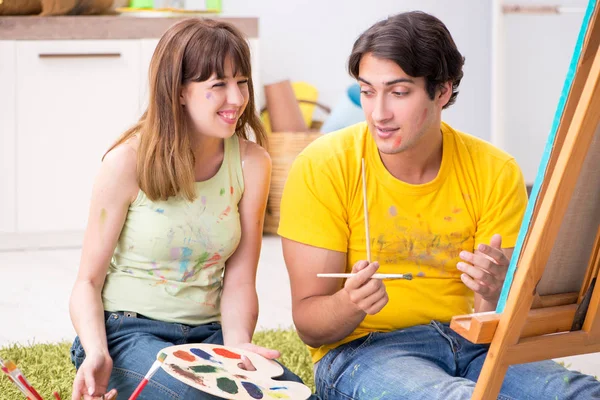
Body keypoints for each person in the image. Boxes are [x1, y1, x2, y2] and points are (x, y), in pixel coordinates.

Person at [278, 11, 600, 400]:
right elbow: (310, 326)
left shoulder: (494, 170)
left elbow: (494, 316)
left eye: (398, 93)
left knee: (581, 393)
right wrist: (350, 304)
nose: (379, 113)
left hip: (474, 339)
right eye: (367, 92)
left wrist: (499, 290)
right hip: (367, 350)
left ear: (443, 91)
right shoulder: (323, 165)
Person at [69, 18, 310, 400]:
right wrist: (96, 351)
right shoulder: (126, 162)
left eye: (241, 82)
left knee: (292, 395)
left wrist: (238, 347)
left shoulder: (252, 163)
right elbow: (87, 283)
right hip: (127, 332)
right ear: (179, 91)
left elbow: (240, 279)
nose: (237, 98)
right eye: (218, 86)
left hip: (209, 336)